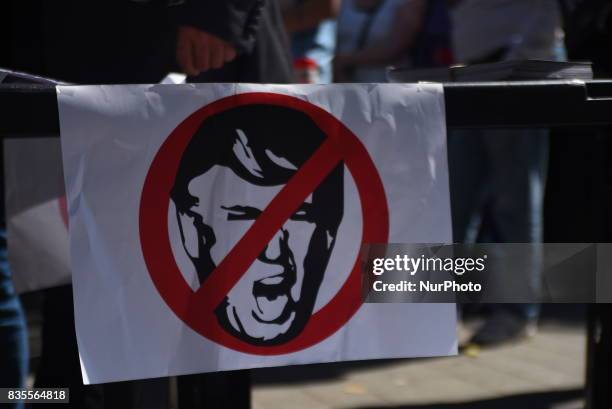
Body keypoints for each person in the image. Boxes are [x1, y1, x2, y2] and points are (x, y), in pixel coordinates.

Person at [4, 1, 293, 408]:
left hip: (173, 59)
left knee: (200, 310)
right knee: (73, 299)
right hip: (55, 74)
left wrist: (216, 13)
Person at [171, 104, 344, 344]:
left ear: (328, 234)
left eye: (298, 216)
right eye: (243, 218)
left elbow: (404, 279)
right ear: (191, 232)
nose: (274, 252)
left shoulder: (380, 273)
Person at [448, 0, 565, 347]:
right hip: (474, 71)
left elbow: (548, 13)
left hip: (513, 71)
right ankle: (442, 309)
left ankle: (517, 313)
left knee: (514, 203)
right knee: (453, 199)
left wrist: (520, 62)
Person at [334, 0, 452, 82]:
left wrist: (343, 61)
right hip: (345, 89)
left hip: (390, 90)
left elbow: (396, 47)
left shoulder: (408, 3)